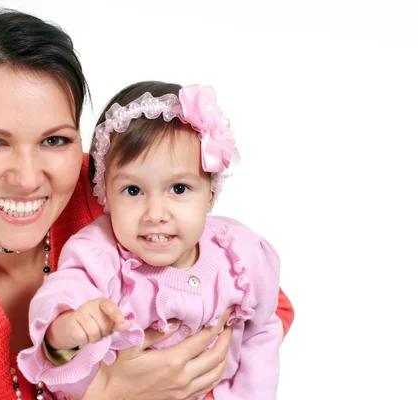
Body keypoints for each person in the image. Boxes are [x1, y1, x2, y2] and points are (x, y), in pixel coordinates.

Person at [0, 9, 294, 400]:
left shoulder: (125, 189)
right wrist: (110, 394)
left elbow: (266, 303)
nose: (28, 179)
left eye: (55, 140)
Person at [18, 82, 283, 399]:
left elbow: (263, 330)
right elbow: (63, 289)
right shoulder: (99, 253)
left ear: (210, 192)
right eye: (133, 191)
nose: (156, 213)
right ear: (106, 195)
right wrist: (67, 326)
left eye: (179, 189)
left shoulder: (240, 252)